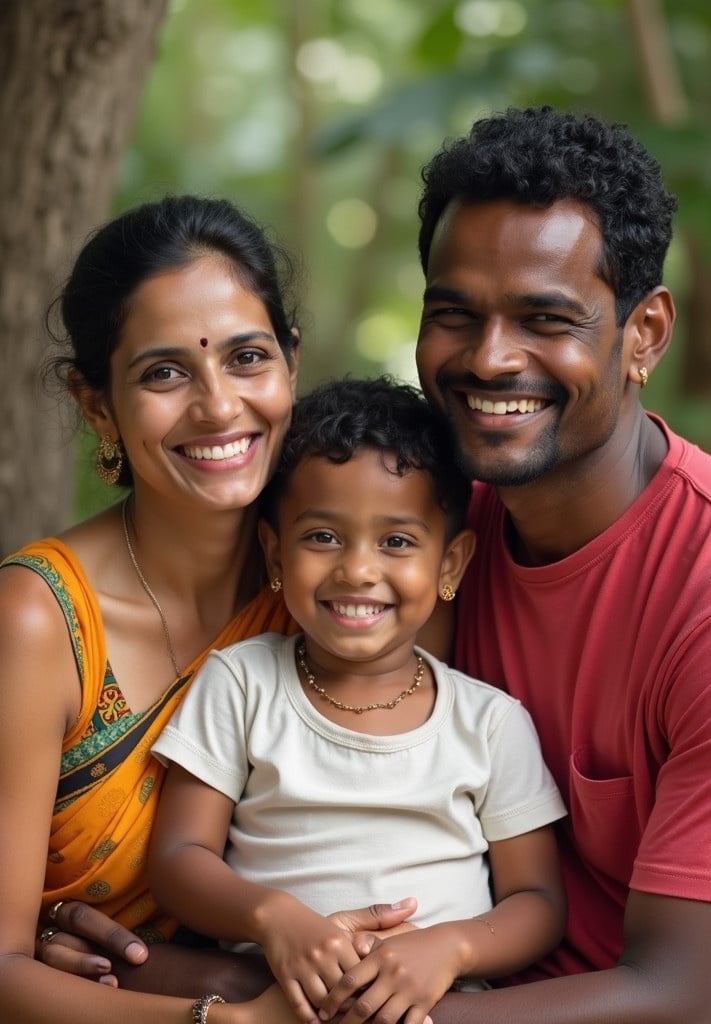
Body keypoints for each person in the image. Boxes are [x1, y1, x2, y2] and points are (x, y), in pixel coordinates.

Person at [0, 196, 412, 1024]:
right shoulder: (39, 621)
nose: (220, 407)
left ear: (291, 363)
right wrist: (232, 1021)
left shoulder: (341, 590)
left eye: (247, 358)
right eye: (164, 372)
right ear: (95, 404)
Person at [405, 104, 711, 1024]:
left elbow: (677, 997)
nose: (489, 357)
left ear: (643, 335)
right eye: (455, 314)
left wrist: (314, 1012)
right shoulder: (428, 535)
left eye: (544, 318)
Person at [148, 376, 567, 1024]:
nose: (358, 570)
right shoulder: (240, 683)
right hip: (274, 1003)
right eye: (322, 536)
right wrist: (274, 918)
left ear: (451, 565)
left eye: (397, 542)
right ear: (274, 551)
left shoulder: (489, 723)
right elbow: (179, 859)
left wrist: (450, 949)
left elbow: (537, 901)